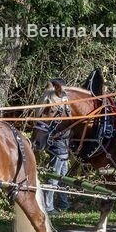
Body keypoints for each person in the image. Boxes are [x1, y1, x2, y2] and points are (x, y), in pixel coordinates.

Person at [42, 79, 71, 213]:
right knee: (55, 176)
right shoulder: (53, 103)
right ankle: (48, 206)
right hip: (58, 144)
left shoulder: (64, 101)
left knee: (63, 175)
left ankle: (63, 203)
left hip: (63, 144)